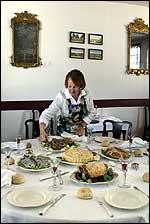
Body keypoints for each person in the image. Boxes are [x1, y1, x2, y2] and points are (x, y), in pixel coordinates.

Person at [39, 69, 95, 142]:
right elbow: (46, 114)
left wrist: (82, 126)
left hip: (81, 135)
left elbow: (92, 112)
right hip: (64, 136)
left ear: (81, 86)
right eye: (69, 86)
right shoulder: (61, 96)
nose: (72, 90)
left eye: (75, 87)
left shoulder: (86, 95)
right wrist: (42, 131)